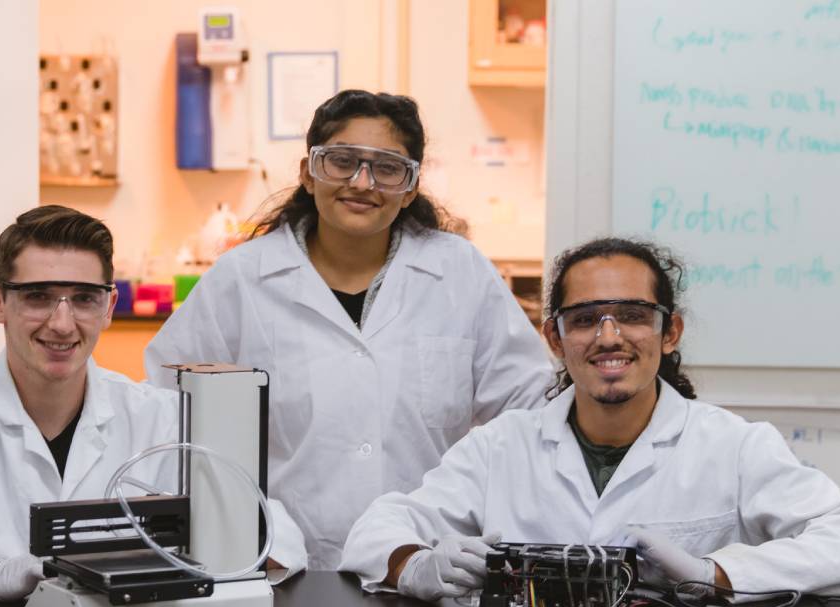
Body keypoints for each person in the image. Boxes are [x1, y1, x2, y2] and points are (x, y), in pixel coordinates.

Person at [339, 237, 840, 601]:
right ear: (554, 338)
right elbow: (374, 530)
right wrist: (416, 566)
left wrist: (715, 573)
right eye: (585, 319)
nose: (609, 337)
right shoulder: (501, 445)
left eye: (633, 316)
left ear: (670, 332)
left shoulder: (733, 445)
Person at [146, 90, 553, 570]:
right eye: (342, 161)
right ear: (308, 173)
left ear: (411, 186)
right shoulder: (242, 279)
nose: (362, 183)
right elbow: (168, 413)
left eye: (387, 168)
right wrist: (245, 538)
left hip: (427, 565)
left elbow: (529, 410)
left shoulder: (459, 272)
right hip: (283, 565)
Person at [0, 205, 305, 601]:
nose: (63, 324)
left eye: (84, 298)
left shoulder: (161, 417)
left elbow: (274, 531)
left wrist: (208, 557)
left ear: (110, 307)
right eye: (38, 297)